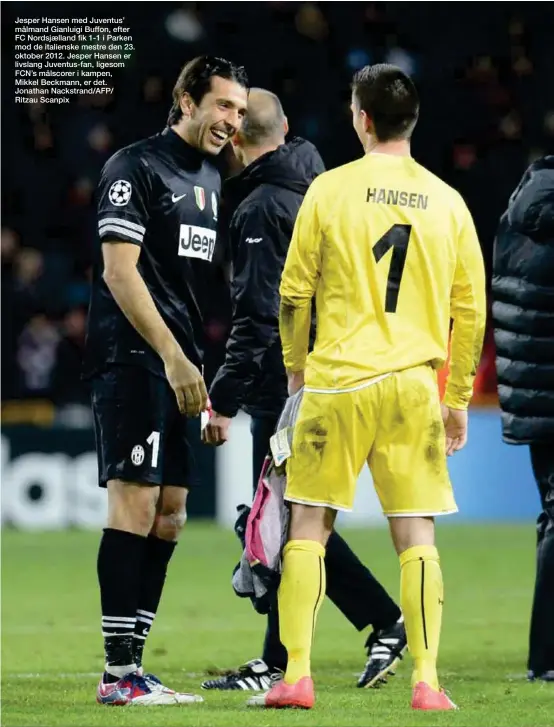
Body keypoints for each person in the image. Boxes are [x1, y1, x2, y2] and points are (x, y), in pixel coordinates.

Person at [252, 64, 487, 711]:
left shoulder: (328, 191)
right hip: (413, 388)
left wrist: (296, 369)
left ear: (361, 118)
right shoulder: (448, 201)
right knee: (416, 535)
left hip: (334, 385)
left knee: (308, 523)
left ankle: (297, 674)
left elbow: (293, 292)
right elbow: (470, 310)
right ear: (411, 120)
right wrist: (458, 396)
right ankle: (428, 680)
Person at [201, 88, 407, 691]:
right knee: (289, 522)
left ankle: (384, 620)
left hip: (290, 383)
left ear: (236, 140)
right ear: (288, 127)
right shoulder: (328, 188)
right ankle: (276, 659)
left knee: (284, 527)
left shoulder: (262, 207)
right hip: (348, 370)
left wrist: (225, 396)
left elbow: (259, 313)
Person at [83, 55, 249, 706]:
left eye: (239, 109)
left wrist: (197, 366)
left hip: (179, 360)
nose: (231, 120)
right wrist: (174, 357)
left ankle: (137, 667)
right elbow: (120, 273)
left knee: (172, 512)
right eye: (222, 106)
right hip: (132, 355)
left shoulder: (211, 174)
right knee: (135, 502)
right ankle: (117, 673)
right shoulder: (134, 167)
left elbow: (190, 287)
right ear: (186, 100)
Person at [492, 155, 554, 683]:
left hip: (533, 390)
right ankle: (548, 658)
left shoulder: (521, 207)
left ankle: (545, 656)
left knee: (553, 513)